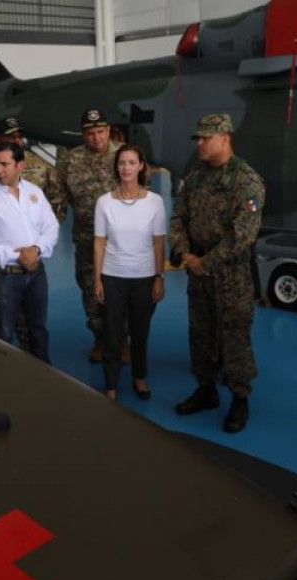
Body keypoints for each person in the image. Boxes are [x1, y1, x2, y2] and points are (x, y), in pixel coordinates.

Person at [169, 113, 265, 434]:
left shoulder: (246, 180)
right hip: (197, 271)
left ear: (224, 138)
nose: (199, 143)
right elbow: (179, 216)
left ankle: (240, 398)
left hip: (231, 276)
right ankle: (206, 389)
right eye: (197, 138)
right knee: (201, 332)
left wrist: (204, 262)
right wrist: (184, 251)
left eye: (204, 138)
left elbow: (243, 234)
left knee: (235, 335)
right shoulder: (195, 175)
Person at [0, 142, 59, 363]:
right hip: (6, 277)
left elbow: (51, 227)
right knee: (4, 334)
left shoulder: (34, 192)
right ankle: (6, 380)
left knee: (38, 329)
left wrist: (36, 250)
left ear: (21, 165)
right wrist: (19, 255)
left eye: (4, 164)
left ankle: (44, 375)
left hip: (37, 273)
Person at [93, 144, 167, 401]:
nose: (126, 168)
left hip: (144, 278)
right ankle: (111, 384)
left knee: (140, 332)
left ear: (141, 166)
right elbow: (99, 242)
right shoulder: (104, 202)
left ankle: (139, 377)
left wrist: (160, 277)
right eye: (121, 163)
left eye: (131, 162)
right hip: (113, 276)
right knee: (112, 333)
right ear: (117, 167)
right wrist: (97, 279)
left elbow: (158, 242)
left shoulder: (155, 202)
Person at [55, 108, 124, 363]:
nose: (96, 138)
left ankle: (122, 338)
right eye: (90, 133)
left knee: (120, 291)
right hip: (86, 239)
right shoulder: (70, 160)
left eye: (100, 132)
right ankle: (100, 337)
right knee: (89, 290)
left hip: (121, 243)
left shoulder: (124, 156)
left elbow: (142, 192)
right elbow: (60, 198)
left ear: (108, 131)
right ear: (83, 134)